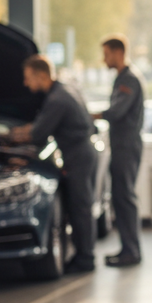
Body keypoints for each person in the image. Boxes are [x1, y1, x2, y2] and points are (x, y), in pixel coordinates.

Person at [11, 54, 97, 273]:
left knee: (80, 208)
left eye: (28, 77)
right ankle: (83, 255)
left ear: (41, 75)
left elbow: (38, 134)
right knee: (81, 207)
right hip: (83, 152)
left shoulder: (56, 100)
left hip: (78, 156)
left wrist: (12, 136)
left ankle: (85, 259)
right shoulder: (65, 89)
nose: (25, 83)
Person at [93, 35, 145, 266]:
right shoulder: (122, 78)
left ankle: (131, 252)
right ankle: (127, 248)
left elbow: (116, 112)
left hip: (127, 146)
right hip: (121, 146)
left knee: (124, 198)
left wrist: (92, 115)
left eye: (106, 54)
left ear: (118, 53)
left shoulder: (129, 80)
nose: (104, 59)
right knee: (120, 197)